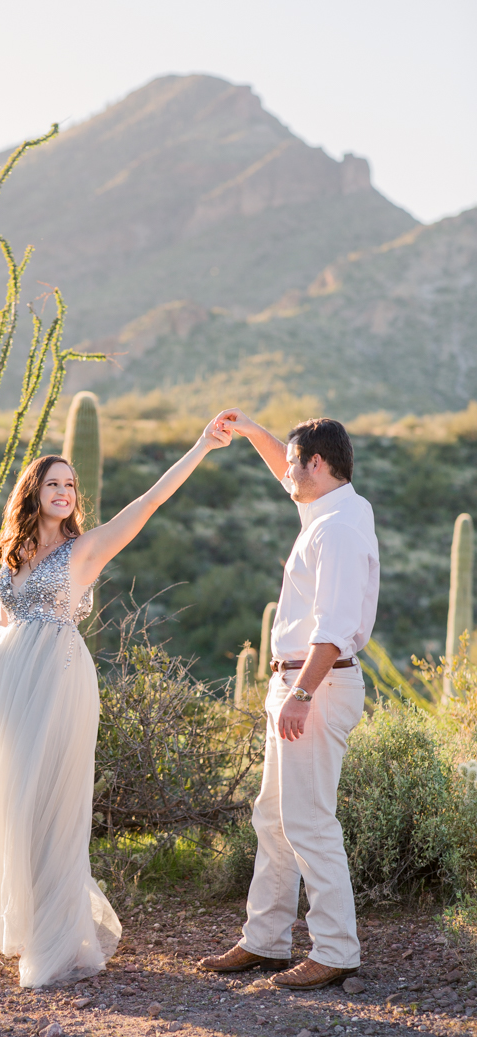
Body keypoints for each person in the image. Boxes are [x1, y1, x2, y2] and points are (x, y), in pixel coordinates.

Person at [0, 421, 231, 988]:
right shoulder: (16, 555)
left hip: (58, 677)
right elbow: (7, 624)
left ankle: (59, 945)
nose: (64, 492)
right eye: (54, 484)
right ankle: (35, 928)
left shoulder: (87, 548)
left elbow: (150, 501)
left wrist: (201, 445)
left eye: (71, 485)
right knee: (14, 805)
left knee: (52, 801)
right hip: (10, 684)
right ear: (33, 492)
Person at [199, 413, 379, 990]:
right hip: (300, 682)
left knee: (308, 820)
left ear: (317, 465)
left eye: (294, 462)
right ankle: (265, 941)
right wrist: (252, 430)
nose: (286, 471)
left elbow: (335, 627)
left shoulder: (338, 530)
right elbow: (284, 466)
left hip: (317, 683)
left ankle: (336, 950)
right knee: (274, 818)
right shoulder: (330, 507)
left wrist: (301, 692)